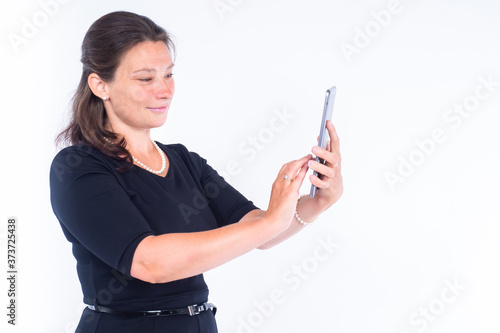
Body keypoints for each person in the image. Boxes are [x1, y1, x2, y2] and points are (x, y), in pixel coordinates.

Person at [49, 10, 343, 333]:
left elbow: (255, 228)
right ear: (100, 85)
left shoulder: (185, 161)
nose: (164, 90)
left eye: (169, 75)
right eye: (146, 78)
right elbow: (150, 262)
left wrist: (318, 202)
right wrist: (271, 221)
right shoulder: (78, 169)